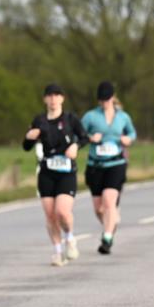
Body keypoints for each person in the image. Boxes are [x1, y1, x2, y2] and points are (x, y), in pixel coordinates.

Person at [24, 84, 88, 266]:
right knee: (50, 215)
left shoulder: (70, 119)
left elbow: (84, 137)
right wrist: (30, 136)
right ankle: (58, 252)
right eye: (49, 96)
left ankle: (70, 237)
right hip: (46, 171)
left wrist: (75, 146)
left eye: (56, 96)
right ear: (45, 99)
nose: (53, 100)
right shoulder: (39, 120)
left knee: (62, 212)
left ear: (62, 99)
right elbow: (26, 146)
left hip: (66, 171)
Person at [80, 81, 136, 255]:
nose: (104, 103)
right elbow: (79, 136)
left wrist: (128, 139)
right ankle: (110, 224)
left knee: (109, 201)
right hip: (95, 166)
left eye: (106, 99)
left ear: (112, 98)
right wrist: (90, 138)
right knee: (99, 209)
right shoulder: (90, 117)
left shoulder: (123, 117)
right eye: (101, 100)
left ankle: (107, 237)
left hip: (116, 164)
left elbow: (132, 133)